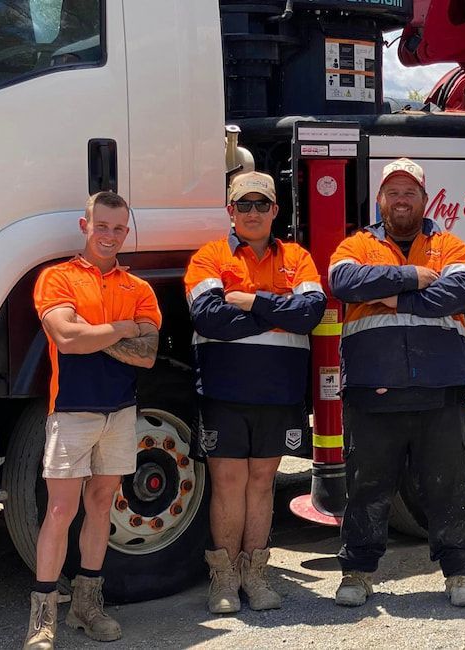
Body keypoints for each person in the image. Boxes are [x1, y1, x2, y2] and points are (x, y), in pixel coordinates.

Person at [329, 158, 465, 608]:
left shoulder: (450, 245)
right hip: (374, 388)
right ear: (379, 200)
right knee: (367, 486)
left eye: (409, 192)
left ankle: (459, 573)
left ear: (424, 199)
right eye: (393, 192)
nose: (401, 199)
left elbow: (461, 293)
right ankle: (356, 572)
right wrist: (412, 278)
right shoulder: (355, 245)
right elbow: (343, 281)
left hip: (441, 387)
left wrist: (387, 296)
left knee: (449, 485)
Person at [184, 171, 326, 614]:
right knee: (228, 483)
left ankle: (256, 576)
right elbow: (208, 317)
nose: (252, 212)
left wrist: (248, 301)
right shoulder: (208, 257)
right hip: (225, 389)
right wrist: (276, 309)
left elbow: (311, 313)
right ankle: (224, 579)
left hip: (278, 392)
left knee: (263, 483)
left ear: (275, 211)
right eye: (243, 204)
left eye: (260, 204)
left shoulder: (298, 258)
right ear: (230, 211)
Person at [26, 191, 162, 649]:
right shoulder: (57, 277)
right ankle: (42, 618)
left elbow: (147, 356)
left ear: (126, 232)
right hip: (71, 411)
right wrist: (123, 328)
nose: (109, 235)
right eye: (100, 226)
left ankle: (87, 606)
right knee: (61, 511)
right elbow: (64, 337)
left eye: (117, 228)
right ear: (86, 228)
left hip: (120, 412)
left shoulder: (138, 287)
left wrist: (93, 334)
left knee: (102, 506)